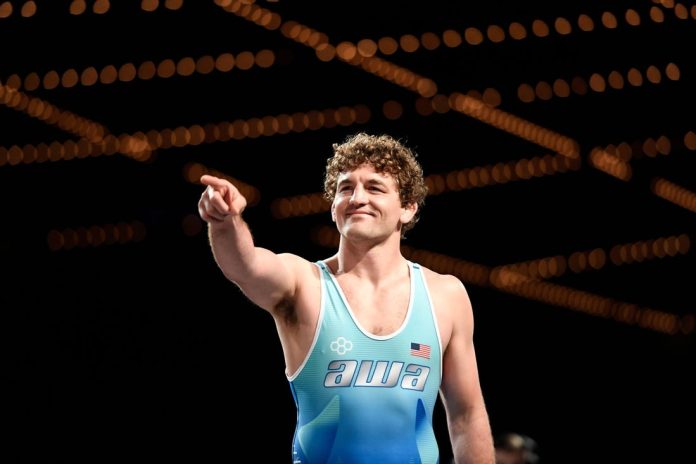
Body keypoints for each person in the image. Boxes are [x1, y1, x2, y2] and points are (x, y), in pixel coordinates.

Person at [198, 132, 494, 463]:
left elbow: (467, 416)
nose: (357, 198)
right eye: (346, 188)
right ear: (333, 207)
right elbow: (246, 266)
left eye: (375, 188)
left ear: (408, 208)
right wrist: (225, 222)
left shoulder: (445, 295)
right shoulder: (304, 283)